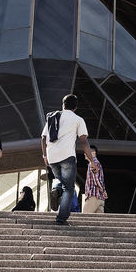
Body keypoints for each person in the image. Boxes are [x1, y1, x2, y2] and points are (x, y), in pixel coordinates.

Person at [40, 93, 90, 225]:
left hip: (52, 157)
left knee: (64, 184)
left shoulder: (53, 116)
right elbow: (84, 141)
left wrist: (45, 156)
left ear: (63, 105)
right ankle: (61, 218)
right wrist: (91, 160)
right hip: (67, 156)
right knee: (69, 187)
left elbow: (43, 138)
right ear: (75, 107)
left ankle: (57, 190)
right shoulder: (78, 119)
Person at [83, 146, 107, 214]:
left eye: (86, 152)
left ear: (93, 153)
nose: (84, 154)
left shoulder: (93, 163)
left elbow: (96, 179)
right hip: (100, 198)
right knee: (99, 222)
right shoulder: (97, 163)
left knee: (85, 219)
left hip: (93, 196)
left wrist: (102, 190)